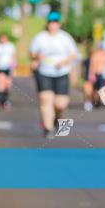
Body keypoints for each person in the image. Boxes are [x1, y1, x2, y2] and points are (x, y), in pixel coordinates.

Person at [30, 11, 78, 139]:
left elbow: (73, 55)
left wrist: (65, 62)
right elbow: (32, 53)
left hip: (61, 73)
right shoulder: (40, 37)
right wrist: (37, 56)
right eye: (51, 22)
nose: (53, 24)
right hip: (44, 72)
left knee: (60, 104)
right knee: (46, 99)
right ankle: (48, 128)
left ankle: (57, 118)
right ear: (47, 23)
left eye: (55, 22)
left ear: (59, 24)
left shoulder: (65, 37)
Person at [83, 42, 105, 111]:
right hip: (100, 74)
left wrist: (91, 74)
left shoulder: (101, 55)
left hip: (102, 74)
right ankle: (98, 102)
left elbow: (92, 65)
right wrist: (91, 74)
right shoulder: (104, 55)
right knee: (95, 89)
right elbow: (92, 65)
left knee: (99, 89)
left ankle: (100, 102)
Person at [0, 33, 16, 110]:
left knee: (8, 85)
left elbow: (14, 56)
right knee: (0, 84)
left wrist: (13, 66)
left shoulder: (10, 46)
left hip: (8, 67)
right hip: (0, 67)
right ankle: (2, 100)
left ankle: (5, 100)